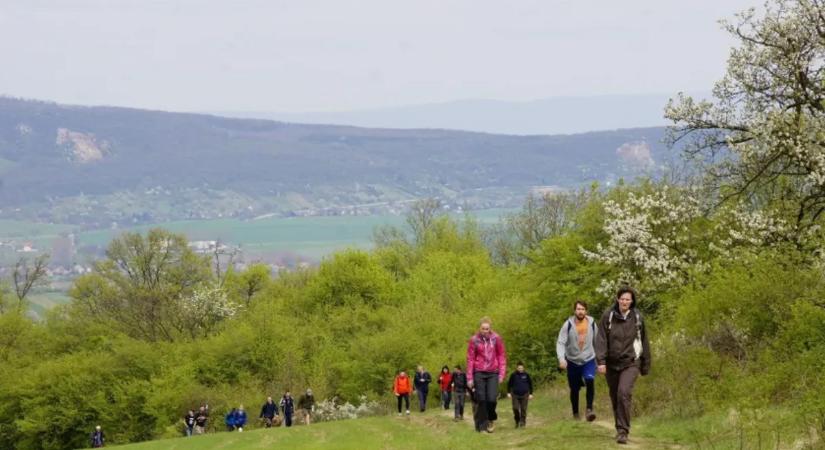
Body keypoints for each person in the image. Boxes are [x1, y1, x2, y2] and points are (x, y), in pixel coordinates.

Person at [595, 287, 652, 445]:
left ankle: (623, 431)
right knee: (615, 396)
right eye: (622, 299)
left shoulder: (638, 317)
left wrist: (645, 364)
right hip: (612, 364)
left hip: (631, 362)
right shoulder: (609, 315)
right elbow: (600, 340)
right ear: (618, 299)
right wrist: (601, 362)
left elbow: (644, 341)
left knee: (623, 393)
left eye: (628, 299)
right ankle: (619, 427)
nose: (625, 302)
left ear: (632, 301)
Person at [557, 300, 598, 421]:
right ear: (575, 311)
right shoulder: (568, 325)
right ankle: (575, 414)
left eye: (583, 309)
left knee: (590, 379)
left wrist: (600, 359)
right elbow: (561, 342)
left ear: (586, 311)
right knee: (574, 389)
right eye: (578, 309)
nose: (580, 311)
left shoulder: (592, 323)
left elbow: (598, 341)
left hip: (589, 359)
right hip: (572, 361)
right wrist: (561, 358)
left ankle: (589, 410)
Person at [467, 316, 507, 433]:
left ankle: (491, 418)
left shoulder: (496, 338)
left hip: (493, 372)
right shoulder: (474, 340)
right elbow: (470, 359)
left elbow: (501, 356)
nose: (485, 330)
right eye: (483, 328)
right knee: (481, 399)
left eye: (487, 328)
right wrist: (469, 377)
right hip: (479, 372)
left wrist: (501, 374)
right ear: (479, 329)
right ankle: (483, 427)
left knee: (491, 399)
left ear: (490, 328)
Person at [506, 362, 534, 428]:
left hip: (525, 394)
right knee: (515, 408)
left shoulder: (526, 375)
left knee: (523, 409)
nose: (520, 369)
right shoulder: (513, 375)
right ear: (517, 368)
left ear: (523, 368)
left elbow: (530, 384)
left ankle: (523, 422)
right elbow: (509, 384)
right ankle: (517, 420)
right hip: (515, 394)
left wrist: (531, 394)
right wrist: (508, 393)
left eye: (521, 368)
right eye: (519, 368)